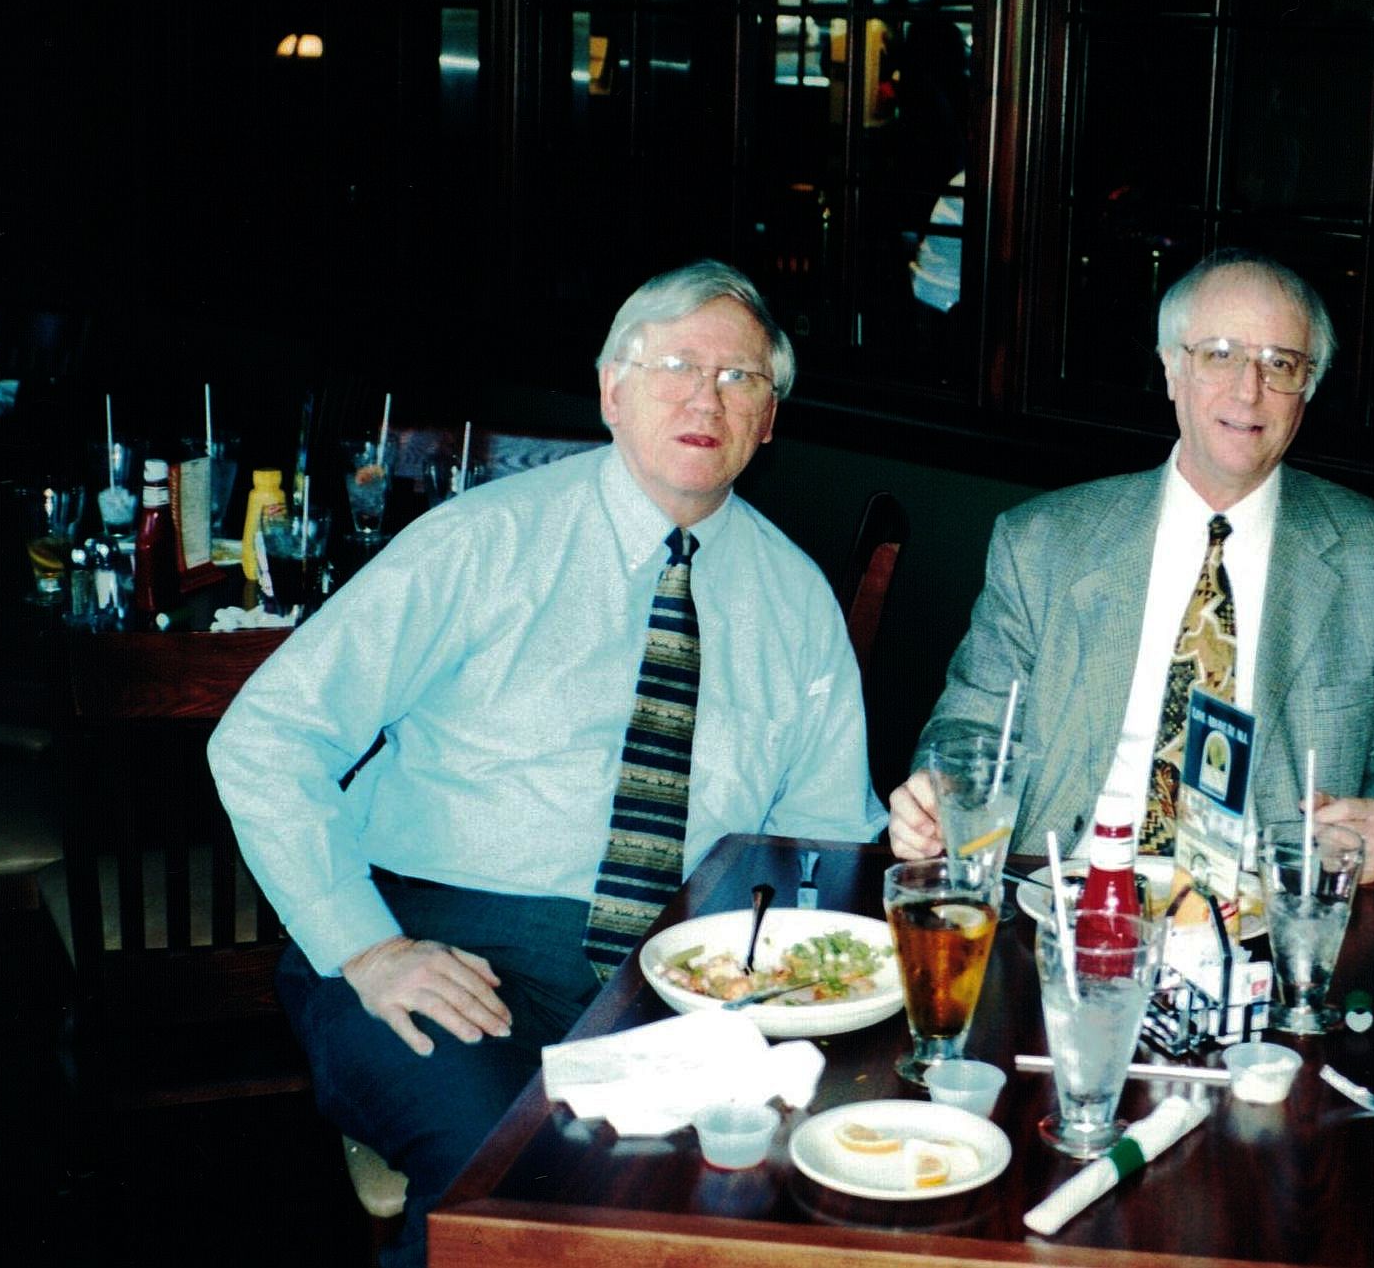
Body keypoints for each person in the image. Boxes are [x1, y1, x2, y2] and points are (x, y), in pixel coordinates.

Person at [208, 260, 885, 1267]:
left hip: (676, 976)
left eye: (742, 378)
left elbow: (821, 842)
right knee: (508, 1177)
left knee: (780, 1182)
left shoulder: (797, 602)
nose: (707, 397)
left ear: (770, 421)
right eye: (676, 366)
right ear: (613, 388)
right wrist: (367, 945)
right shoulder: (481, 543)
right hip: (438, 941)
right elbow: (265, 735)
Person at [888, 248, 1374, 883]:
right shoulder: (1043, 543)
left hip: (1267, 916)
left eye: (1281, 363)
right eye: (1219, 354)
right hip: (1059, 897)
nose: (1249, 390)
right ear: (1170, 369)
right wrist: (937, 797)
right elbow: (972, 723)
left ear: (1309, 386)